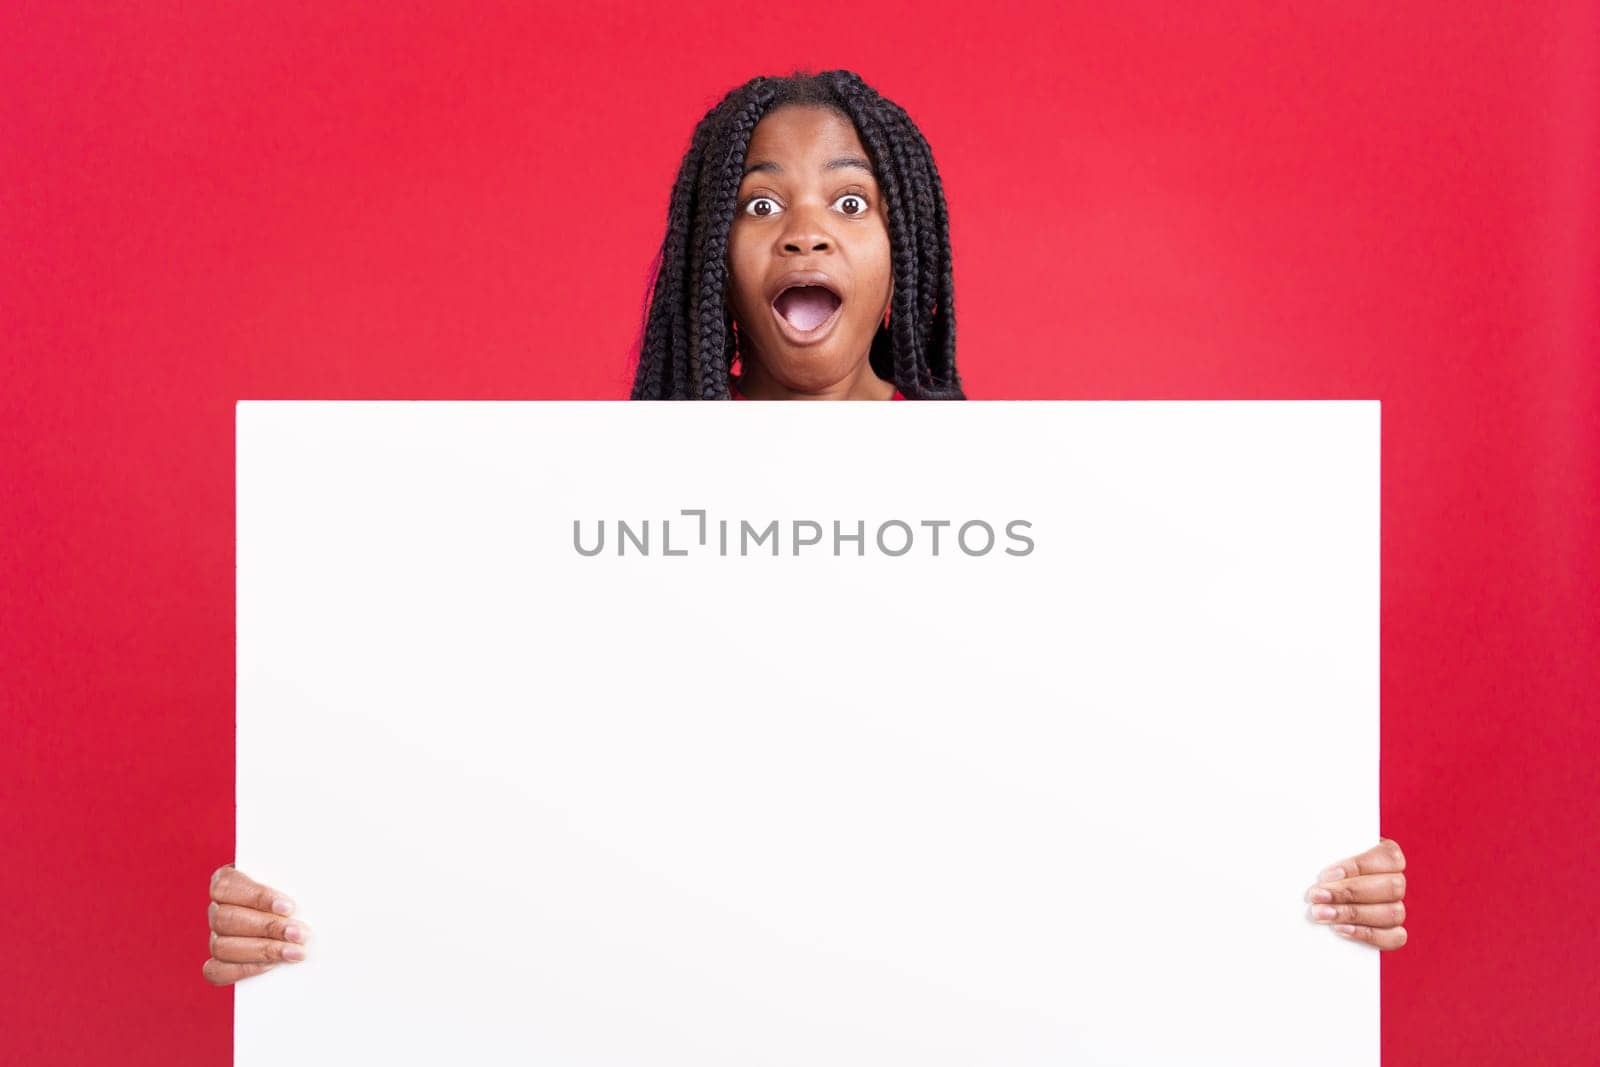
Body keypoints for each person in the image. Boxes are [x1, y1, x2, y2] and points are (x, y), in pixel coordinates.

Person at [205, 69, 1406, 986]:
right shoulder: (581, 505)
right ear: (708, 258)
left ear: (905, 252)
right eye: (759, 201)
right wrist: (313, 889)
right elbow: (489, 767)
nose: (805, 230)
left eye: (849, 200)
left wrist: (1299, 875)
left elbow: (1123, 771)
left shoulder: (1033, 505)